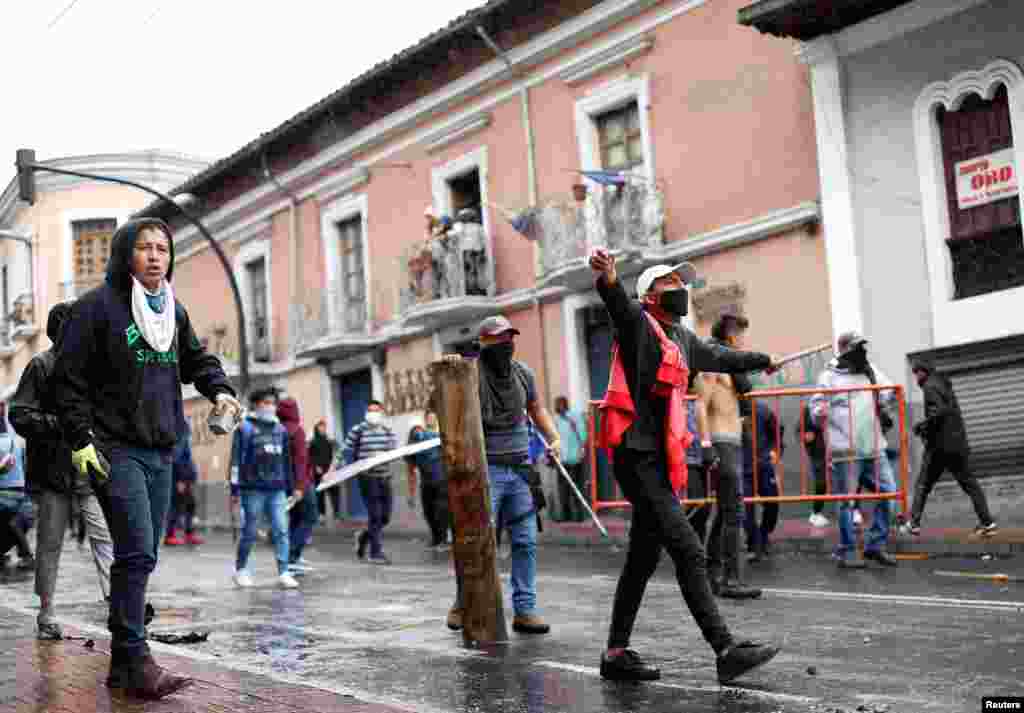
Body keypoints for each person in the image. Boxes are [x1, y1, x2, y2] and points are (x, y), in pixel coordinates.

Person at [53, 217, 241, 700]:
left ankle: (122, 663)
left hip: (163, 447)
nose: (156, 256)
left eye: (163, 248)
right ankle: (136, 659)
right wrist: (81, 439)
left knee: (145, 554)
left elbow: (197, 360)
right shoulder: (94, 309)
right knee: (135, 550)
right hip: (114, 447)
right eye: (145, 248)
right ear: (124, 254)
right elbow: (67, 383)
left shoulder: (171, 311)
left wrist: (219, 390)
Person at [589, 249, 780, 684]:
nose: (680, 290)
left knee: (642, 558)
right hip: (637, 457)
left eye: (681, 283)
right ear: (650, 297)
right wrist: (609, 279)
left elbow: (721, 356)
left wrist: (761, 359)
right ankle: (725, 648)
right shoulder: (640, 326)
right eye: (670, 284)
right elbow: (618, 305)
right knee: (690, 550)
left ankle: (616, 653)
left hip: (657, 457)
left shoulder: (682, 339)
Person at [445, 315, 561, 636]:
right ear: (483, 343)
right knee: (477, 542)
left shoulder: (524, 374)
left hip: (522, 469)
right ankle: (463, 602)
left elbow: (537, 409)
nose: (505, 345)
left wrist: (554, 438)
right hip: (487, 471)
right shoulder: (470, 374)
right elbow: (447, 400)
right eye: (498, 339)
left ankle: (525, 610)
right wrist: (454, 368)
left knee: (525, 541)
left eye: (509, 338)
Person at [10, 302, 113, 640]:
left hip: (89, 473)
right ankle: (46, 612)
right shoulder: (40, 366)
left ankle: (118, 605)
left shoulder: (92, 370)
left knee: (104, 538)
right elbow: (20, 414)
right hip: (54, 474)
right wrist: (60, 424)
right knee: (50, 544)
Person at [810, 331, 898, 569]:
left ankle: (875, 545)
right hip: (845, 450)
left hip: (873, 445)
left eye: (863, 347)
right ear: (845, 350)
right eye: (857, 348)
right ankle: (847, 550)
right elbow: (815, 410)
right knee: (847, 501)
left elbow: (890, 390)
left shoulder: (870, 370)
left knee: (889, 495)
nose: (862, 352)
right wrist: (821, 411)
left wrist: (885, 398)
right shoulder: (828, 376)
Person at [698, 313, 762, 599]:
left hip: (731, 441)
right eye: (740, 334)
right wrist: (706, 444)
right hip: (721, 442)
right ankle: (730, 580)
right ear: (730, 335)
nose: (743, 341)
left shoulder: (731, 371)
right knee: (733, 512)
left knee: (725, 513)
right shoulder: (712, 365)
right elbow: (700, 404)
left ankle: (712, 574)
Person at [901, 360, 997, 537]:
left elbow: (938, 412)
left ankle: (913, 523)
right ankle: (987, 522)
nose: (915, 378)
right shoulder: (943, 384)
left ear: (923, 372)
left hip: (940, 447)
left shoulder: (930, 386)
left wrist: (922, 427)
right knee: (970, 484)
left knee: (922, 484)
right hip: (957, 444)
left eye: (916, 373)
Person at [230, 388, 298, 589]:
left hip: (277, 488)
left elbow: (286, 461)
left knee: (281, 529)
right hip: (253, 489)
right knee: (250, 530)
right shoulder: (245, 428)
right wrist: (235, 489)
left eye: (272, 403)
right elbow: (235, 461)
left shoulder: (280, 430)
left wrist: (290, 488)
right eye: (265, 402)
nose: (270, 406)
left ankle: (284, 571)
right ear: (256, 404)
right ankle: (241, 569)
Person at [343, 400, 398, 565]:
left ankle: (363, 536)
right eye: (370, 410)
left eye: (376, 410)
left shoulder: (387, 430)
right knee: (375, 515)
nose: (373, 413)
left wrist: (382, 454)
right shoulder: (358, 430)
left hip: (385, 476)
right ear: (366, 413)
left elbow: (394, 451)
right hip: (367, 477)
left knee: (385, 517)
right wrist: (332, 471)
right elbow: (345, 450)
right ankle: (376, 553)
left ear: (381, 413)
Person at [279, 396, 316, 574]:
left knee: (295, 519)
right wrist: (301, 487)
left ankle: (293, 556)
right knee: (310, 517)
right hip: (301, 484)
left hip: (284, 484)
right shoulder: (297, 431)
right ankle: (291, 558)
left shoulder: (277, 430)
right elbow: (301, 460)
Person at [742, 400, 781, 562]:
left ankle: (763, 535)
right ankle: (754, 542)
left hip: (763, 465)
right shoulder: (729, 408)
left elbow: (777, 432)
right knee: (745, 510)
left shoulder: (762, 410)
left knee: (772, 503)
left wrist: (774, 451)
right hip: (742, 468)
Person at [405, 412, 449, 550]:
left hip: (442, 482)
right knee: (429, 513)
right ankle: (436, 539)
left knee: (441, 512)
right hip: (426, 483)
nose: (417, 433)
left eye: (419, 429)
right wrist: (411, 493)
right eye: (414, 431)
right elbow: (410, 470)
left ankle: (443, 540)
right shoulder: (412, 448)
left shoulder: (436, 438)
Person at [0, 413, 33, 570]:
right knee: (11, 522)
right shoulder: (18, 442)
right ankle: (24, 554)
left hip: (3, 495)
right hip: (21, 493)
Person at [164, 423, 202, 547]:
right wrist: (180, 479)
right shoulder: (181, 434)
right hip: (180, 477)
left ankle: (188, 533)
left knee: (189, 504)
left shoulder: (183, 435)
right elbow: (177, 457)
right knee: (177, 505)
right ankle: (170, 535)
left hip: (185, 476)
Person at [553, 396, 589, 523]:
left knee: (576, 488)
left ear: (564, 405)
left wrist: (581, 450)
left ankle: (579, 515)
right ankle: (566, 515)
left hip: (575, 459)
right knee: (563, 489)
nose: (557, 408)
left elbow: (583, 435)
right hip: (562, 460)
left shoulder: (575, 416)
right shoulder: (556, 419)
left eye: (559, 405)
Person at [799, 400, 830, 528]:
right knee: (821, 482)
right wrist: (805, 436)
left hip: (840, 448)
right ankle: (816, 513)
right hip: (820, 452)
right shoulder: (809, 407)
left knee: (851, 479)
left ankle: (854, 509)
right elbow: (801, 430)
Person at [309, 419, 340, 522]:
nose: (323, 429)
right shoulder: (313, 442)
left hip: (330, 470)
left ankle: (337, 514)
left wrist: (334, 466)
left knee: (334, 492)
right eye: (320, 427)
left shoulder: (329, 441)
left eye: (324, 427)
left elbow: (336, 452)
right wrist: (315, 466)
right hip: (318, 471)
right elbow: (310, 456)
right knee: (320, 494)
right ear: (317, 428)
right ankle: (321, 514)